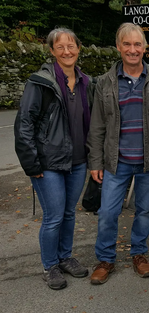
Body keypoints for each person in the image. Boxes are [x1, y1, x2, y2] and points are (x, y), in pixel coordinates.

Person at [86, 23, 149, 285]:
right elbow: (97, 125)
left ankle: (139, 254)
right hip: (116, 161)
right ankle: (105, 259)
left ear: (145, 48)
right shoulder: (105, 82)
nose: (132, 50)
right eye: (127, 44)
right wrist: (96, 162)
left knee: (144, 212)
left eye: (137, 45)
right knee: (108, 212)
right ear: (118, 47)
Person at [14, 28, 95, 290]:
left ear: (78, 48)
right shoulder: (40, 83)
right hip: (48, 163)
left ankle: (64, 257)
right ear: (51, 51)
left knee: (69, 213)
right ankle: (50, 266)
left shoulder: (86, 82)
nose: (67, 51)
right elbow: (24, 123)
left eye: (71, 46)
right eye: (60, 47)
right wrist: (31, 163)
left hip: (78, 160)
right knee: (54, 217)